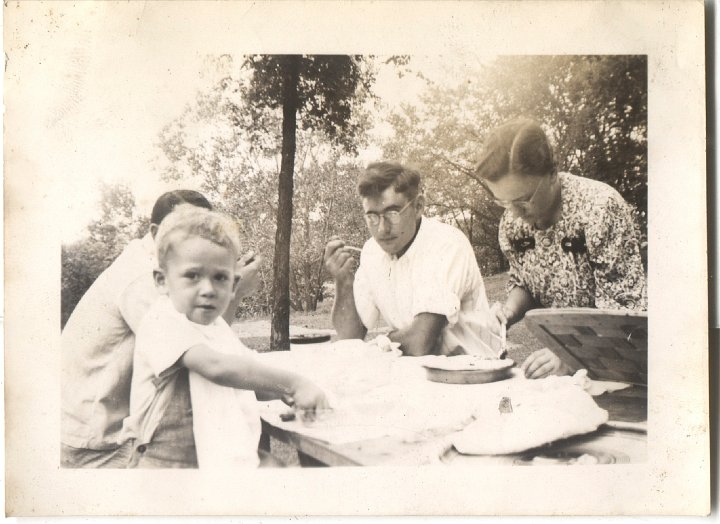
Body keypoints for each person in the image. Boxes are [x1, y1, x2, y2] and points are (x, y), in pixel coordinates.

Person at [61, 190, 262, 468]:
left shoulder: (165, 266)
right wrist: (234, 293)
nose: (192, 238)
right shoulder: (143, 277)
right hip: (96, 438)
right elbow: (200, 350)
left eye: (199, 228)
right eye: (181, 227)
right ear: (155, 231)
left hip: (112, 428)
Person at [122, 204, 329, 468]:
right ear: (162, 280)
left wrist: (284, 394)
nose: (208, 289)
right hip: (164, 463)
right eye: (192, 275)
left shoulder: (218, 328)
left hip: (211, 459)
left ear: (233, 285)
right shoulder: (161, 320)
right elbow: (217, 368)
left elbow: (251, 379)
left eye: (220, 277)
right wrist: (293, 384)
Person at [475, 118, 647, 379]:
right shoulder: (512, 223)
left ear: (552, 172)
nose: (515, 213)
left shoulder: (600, 208)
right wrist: (507, 313)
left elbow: (624, 313)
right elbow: (525, 282)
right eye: (504, 202)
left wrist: (570, 357)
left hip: (620, 365)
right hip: (569, 369)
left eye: (523, 200)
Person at [324, 161, 495, 357]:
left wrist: (379, 344)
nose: (382, 229)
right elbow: (350, 336)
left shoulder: (445, 244)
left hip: (474, 371)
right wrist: (343, 281)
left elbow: (420, 342)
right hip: (417, 372)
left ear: (418, 206)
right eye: (372, 216)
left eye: (392, 213)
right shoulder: (372, 250)